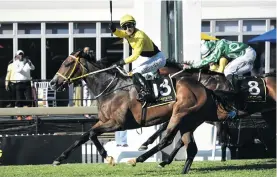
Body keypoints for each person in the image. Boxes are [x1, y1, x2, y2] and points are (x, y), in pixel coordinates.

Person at [109, 14, 167, 103]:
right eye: (125, 27)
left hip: (159, 58)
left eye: (130, 25)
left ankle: (148, 95)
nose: (128, 29)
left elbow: (135, 56)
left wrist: (120, 62)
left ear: (134, 25)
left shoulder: (140, 36)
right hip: (151, 58)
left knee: (136, 72)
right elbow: (120, 33)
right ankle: (143, 91)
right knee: (131, 73)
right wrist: (114, 30)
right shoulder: (128, 32)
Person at [187, 39, 256, 92]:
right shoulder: (219, 44)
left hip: (247, 54)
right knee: (230, 71)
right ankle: (242, 87)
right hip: (247, 54)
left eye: (209, 54)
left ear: (212, 49)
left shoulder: (220, 46)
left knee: (228, 71)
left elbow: (211, 58)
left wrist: (192, 66)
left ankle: (233, 91)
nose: (209, 56)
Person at [13, 50, 35, 120]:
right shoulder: (15, 63)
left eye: (22, 54)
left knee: (29, 99)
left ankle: (28, 115)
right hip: (19, 83)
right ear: (16, 56)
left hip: (27, 82)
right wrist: (24, 64)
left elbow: (33, 68)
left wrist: (30, 63)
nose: (21, 56)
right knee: (19, 99)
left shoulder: (27, 61)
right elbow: (18, 70)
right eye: (19, 55)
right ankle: (19, 115)